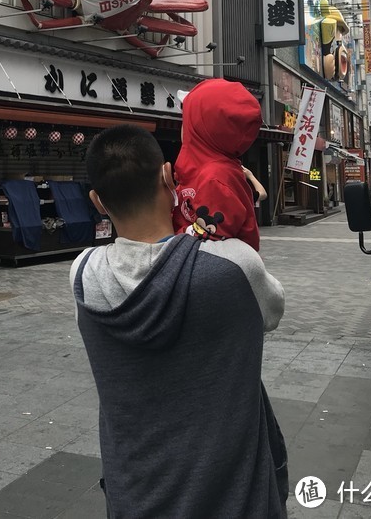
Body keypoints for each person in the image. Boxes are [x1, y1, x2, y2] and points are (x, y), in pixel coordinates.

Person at [71, 125, 288, 519]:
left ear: (97, 202)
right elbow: (271, 312)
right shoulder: (234, 264)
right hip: (237, 500)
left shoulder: (83, 276)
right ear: (168, 176)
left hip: (132, 494)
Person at [173, 79, 263, 249]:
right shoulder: (208, 172)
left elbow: (206, 250)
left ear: (200, 128)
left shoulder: (214, 180)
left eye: (186, 120)